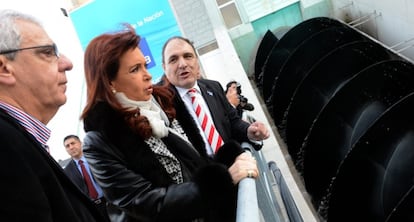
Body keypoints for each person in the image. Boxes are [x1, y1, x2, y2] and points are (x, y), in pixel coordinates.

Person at [80, 24, 258, 222]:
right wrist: (224, 180)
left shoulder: (161, 109)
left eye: (145, 66)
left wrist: (229, 161)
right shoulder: (99, 141)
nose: (147, 75)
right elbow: (146, 203)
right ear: (109, 82)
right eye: (135, 69)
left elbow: (193, 168)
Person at [0, 9, 104, 221]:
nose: (67, 63)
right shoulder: (5, 146)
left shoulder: (19, 141)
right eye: (47, 53)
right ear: (4, 68)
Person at [161, 36, 270, 155]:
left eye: (188, 56)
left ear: (196, 60)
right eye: (173, 59)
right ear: (164, 67)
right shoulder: (160, 104)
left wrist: (249, 131)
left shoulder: (214, 87)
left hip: (235, 165)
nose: (182, 64)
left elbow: (233, 122)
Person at [63, 135, 110, 221]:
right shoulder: (67, 171)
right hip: (91, 210)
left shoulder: (96, 158)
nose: (71, 147)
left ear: (80, 143)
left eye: (73, 143)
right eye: (67, 146)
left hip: (110, 202)